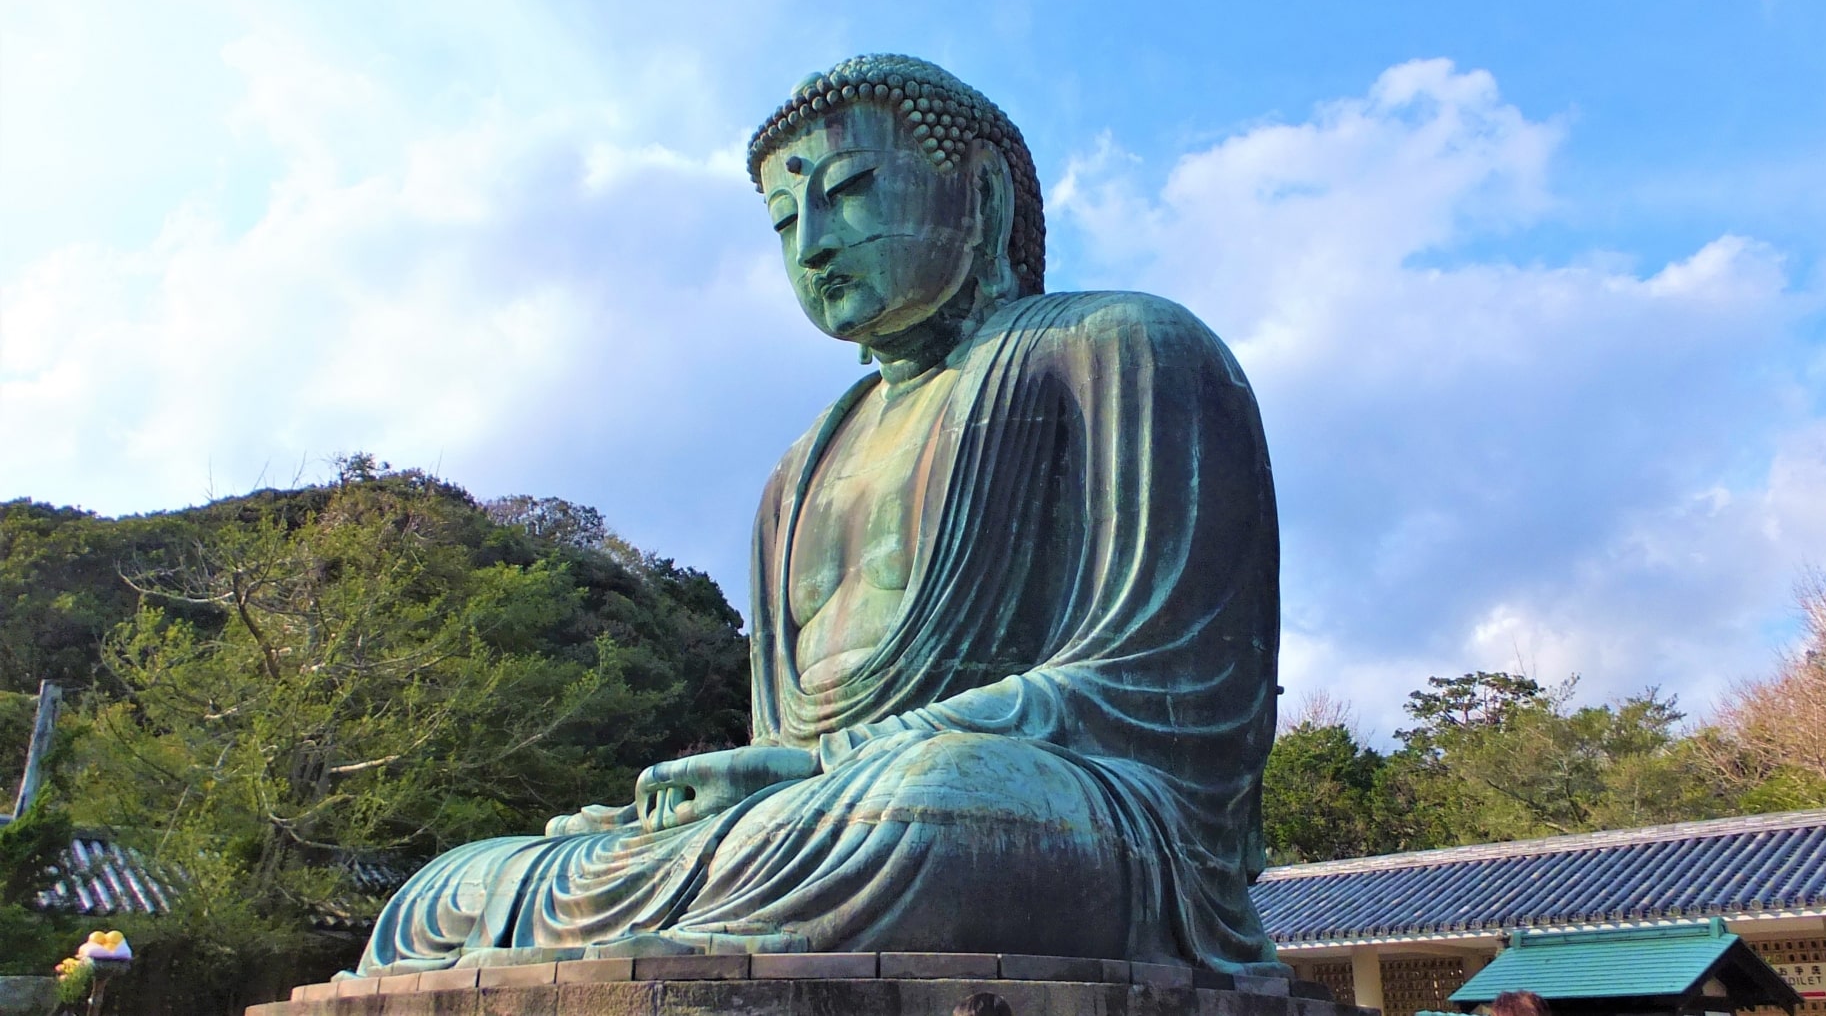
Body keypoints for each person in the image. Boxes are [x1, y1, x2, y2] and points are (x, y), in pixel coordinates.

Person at [352, 54, 1284, 976]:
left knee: (931, 806)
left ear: (984, 194)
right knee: (452, 887)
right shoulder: (797, 471)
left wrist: (827, 765)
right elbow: (775, 745)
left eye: (850, 190)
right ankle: (681, 910)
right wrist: (721, 798)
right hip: (808, 821)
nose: (814, 245)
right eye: (786, 219)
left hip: (1046, 816)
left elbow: (1169, 695)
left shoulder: (1125, 350)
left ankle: (728, 907)